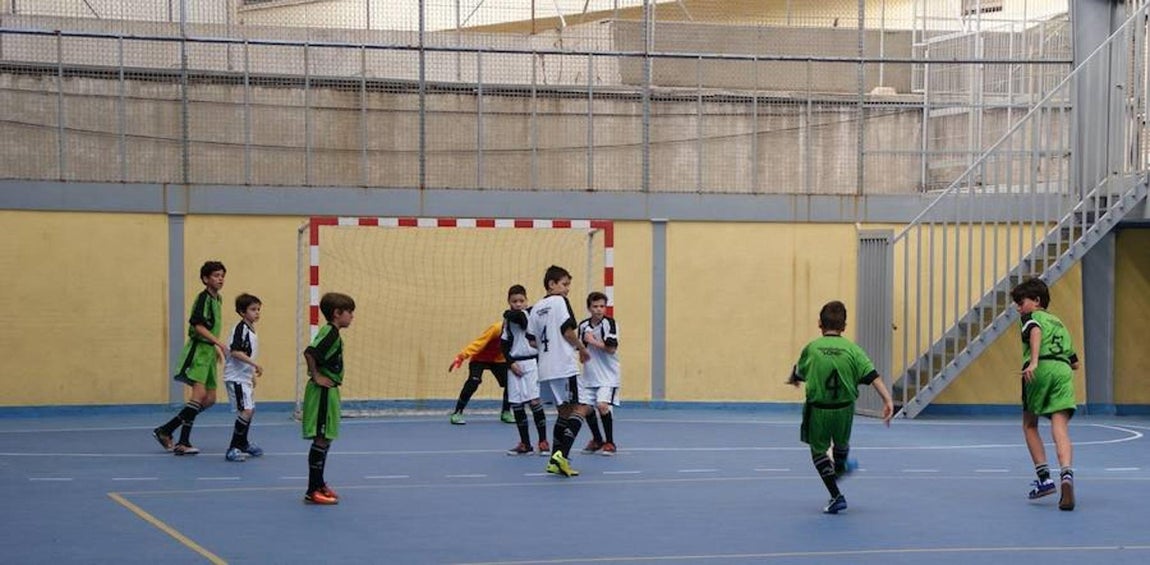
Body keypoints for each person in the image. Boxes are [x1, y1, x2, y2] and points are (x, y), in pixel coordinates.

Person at [788, 300, 893, 514]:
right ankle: (841, 465)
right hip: (845, 409)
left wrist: (794, 378)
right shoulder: (854, 350)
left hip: (819, 409)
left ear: (820, 324)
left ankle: (836, 496)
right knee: (840, 445)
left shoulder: (812, 348)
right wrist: (887, 400)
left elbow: (799, 371)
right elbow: (873, 376)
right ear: (844, 327)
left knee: (818, 451)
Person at [1010, 277, 1079, 511]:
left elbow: (1035, 332)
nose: (1019, 308)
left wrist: (1035, 362)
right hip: (1063, 370)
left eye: (1021, 302)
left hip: (1042, 368)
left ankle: (1044, 479)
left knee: (1030, 424)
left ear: (1037, 301)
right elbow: (1075, 362)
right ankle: (1067, 476)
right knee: (1060, 427)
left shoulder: (1032, 318)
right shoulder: (1060, 323)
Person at [152, 261, 229, 456]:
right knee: (198, 395)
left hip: (209, 352)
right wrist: (219, 343)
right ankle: (183, 442)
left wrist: (216, 349)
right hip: (198, 352)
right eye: (216, 275)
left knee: (210, 399)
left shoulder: (218, 299)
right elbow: (198, 326)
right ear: (205, 279)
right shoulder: (203, 298)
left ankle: (167, 429)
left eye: (222, 275)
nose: (220, 279)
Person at [527, 265, 591, 477]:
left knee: (563, 412)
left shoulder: (535, 307)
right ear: (551, 284)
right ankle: (561, 454)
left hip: (545, 368)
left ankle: (554, 461)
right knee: (583, 407)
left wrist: (548, 348)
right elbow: (567, 330)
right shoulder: (560, 301)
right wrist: (581, 348)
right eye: (564, 284)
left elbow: (531, 340)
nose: (567, 289)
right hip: (563, 366)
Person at [301, 292, 356, 505]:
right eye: (349, 312)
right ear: (337, 313)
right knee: (321, 437)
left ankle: (320, 482)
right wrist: (316, 376)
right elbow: (310, 353)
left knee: (327, 437)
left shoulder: (333, 333)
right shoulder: (329, 333)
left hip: (331, 390)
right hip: (322, 392)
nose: (352, 316)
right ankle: (312, 489)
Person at [501, 284, 550, 456]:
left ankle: (543, 441)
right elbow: (504, 344)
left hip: (531, 364)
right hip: (515, 365)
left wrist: (509, 313)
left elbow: (521, 321)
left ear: (526, 301)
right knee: (516, 404)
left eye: (521, 300)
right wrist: (510, 362)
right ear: (509, 301)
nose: (518, 304)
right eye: (514, 301)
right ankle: (525, 443)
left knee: (535, 401)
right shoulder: (507, 321)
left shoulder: (528, 315)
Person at [448, 311, 514, 425]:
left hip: (498, 360)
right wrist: (462, 356)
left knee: (511, 383)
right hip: (480, 359)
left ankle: (506, 412)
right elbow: (478, 343)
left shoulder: (517, 332)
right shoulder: (496, 329)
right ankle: (457, 412)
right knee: (474, 381)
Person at [223, 293, 264, 462]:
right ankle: (233, 448)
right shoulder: (241, 329)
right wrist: (255, 365)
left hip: (243, 377)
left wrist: (250, 374)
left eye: (258, 309)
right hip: (236, 378)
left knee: (249, 410)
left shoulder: (251, 330)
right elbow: (235, 352)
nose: (257, 313)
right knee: (246, 410)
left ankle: (243, 443)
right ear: (242, 312)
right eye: (253, 309)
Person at [578, 291, 621, 456]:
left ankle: (610, 442)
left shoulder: (609, 324)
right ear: (589, 308)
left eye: (602, 306)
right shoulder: (583, 326)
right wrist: (583, 353)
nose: (599, 309)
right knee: (585, 408)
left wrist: (593, 341)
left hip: (608, 375)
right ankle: (597, 439)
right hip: (590, 375)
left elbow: (611, 349)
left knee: (602, 406)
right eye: (595, 306)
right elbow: (582, 350)